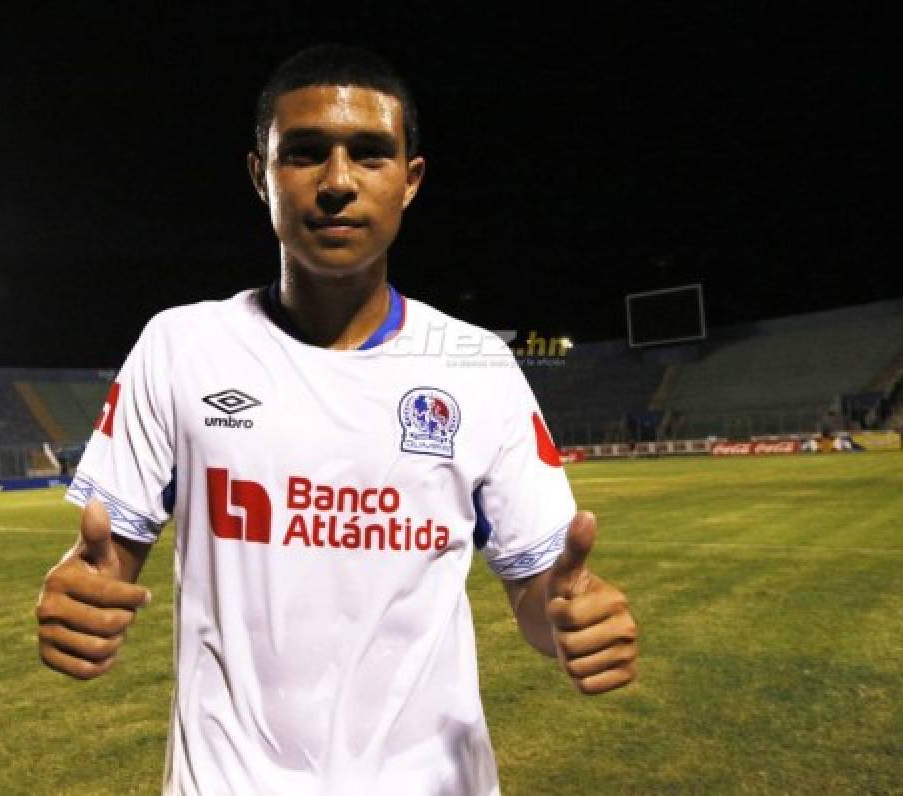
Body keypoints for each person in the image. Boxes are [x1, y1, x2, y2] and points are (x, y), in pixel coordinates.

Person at [36, 44, 638, 795]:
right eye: (305, 154)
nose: (338, 183)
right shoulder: (180, 347)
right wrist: (76, 598)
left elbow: (540, 599)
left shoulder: (476, 364)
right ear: (261, 174)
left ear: (410, 181)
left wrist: (571, 621)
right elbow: (102, 563)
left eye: (372, 155)